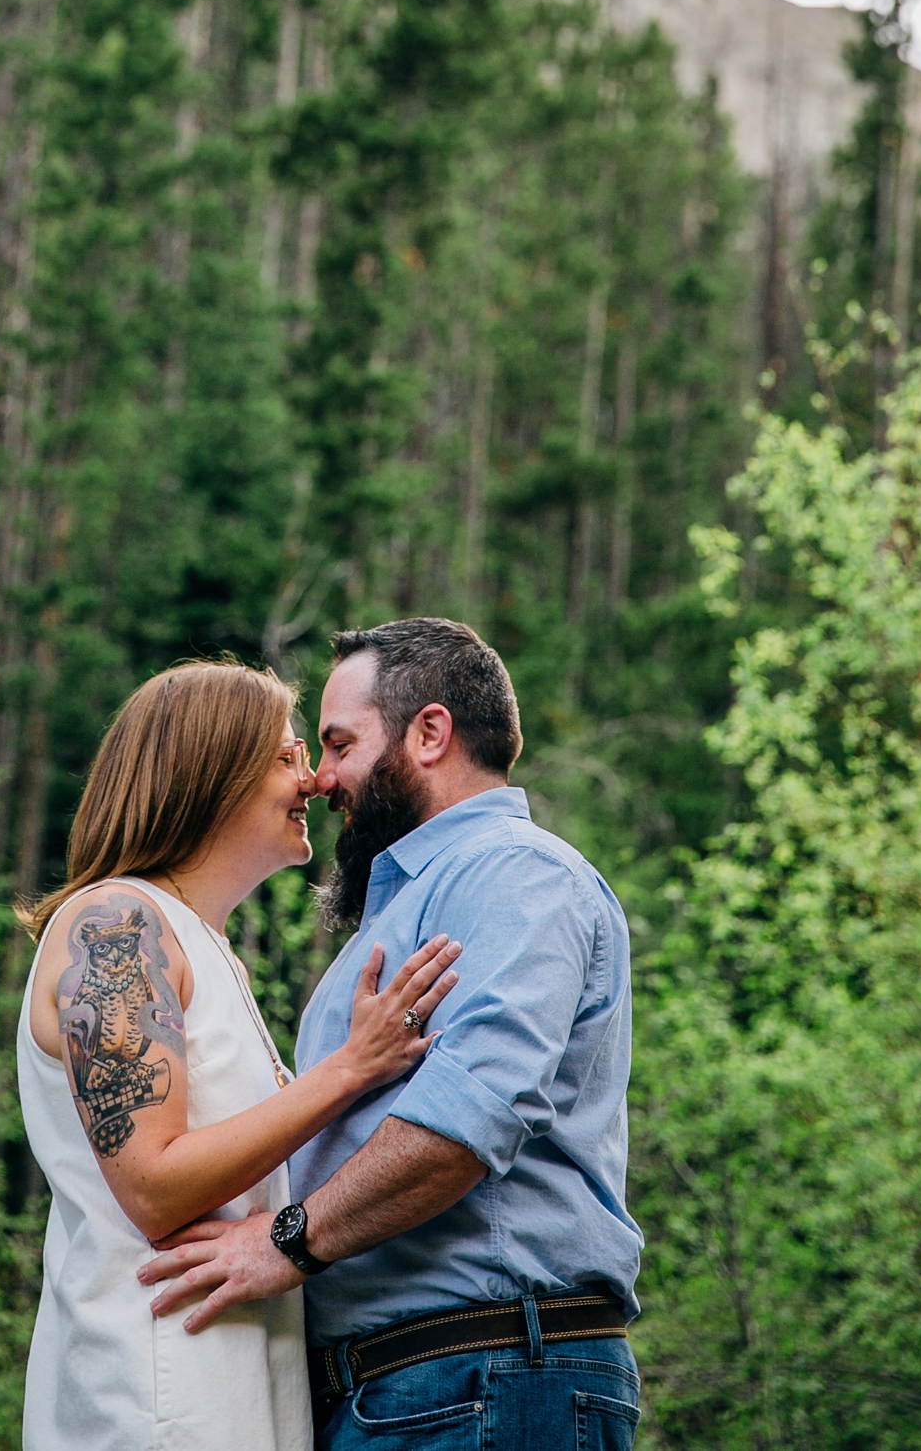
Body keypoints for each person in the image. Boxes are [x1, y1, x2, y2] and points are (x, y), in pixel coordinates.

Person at [139, 619, 643, 1451]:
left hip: (487, 1376)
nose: (322, 776)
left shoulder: (517, 874)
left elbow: (464, 1122)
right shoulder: (413, 898)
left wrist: (286, 1242)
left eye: (339, 743)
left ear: (430, 732)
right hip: (415, 1389)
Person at [15, 658, 462, 1451]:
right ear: (210, 772)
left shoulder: (202, 946)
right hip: (152, 1398)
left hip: (239, 1396)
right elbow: (152, 1184)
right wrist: (351, 1068)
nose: (318, 782)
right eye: (288, 756)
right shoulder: (117, 925)